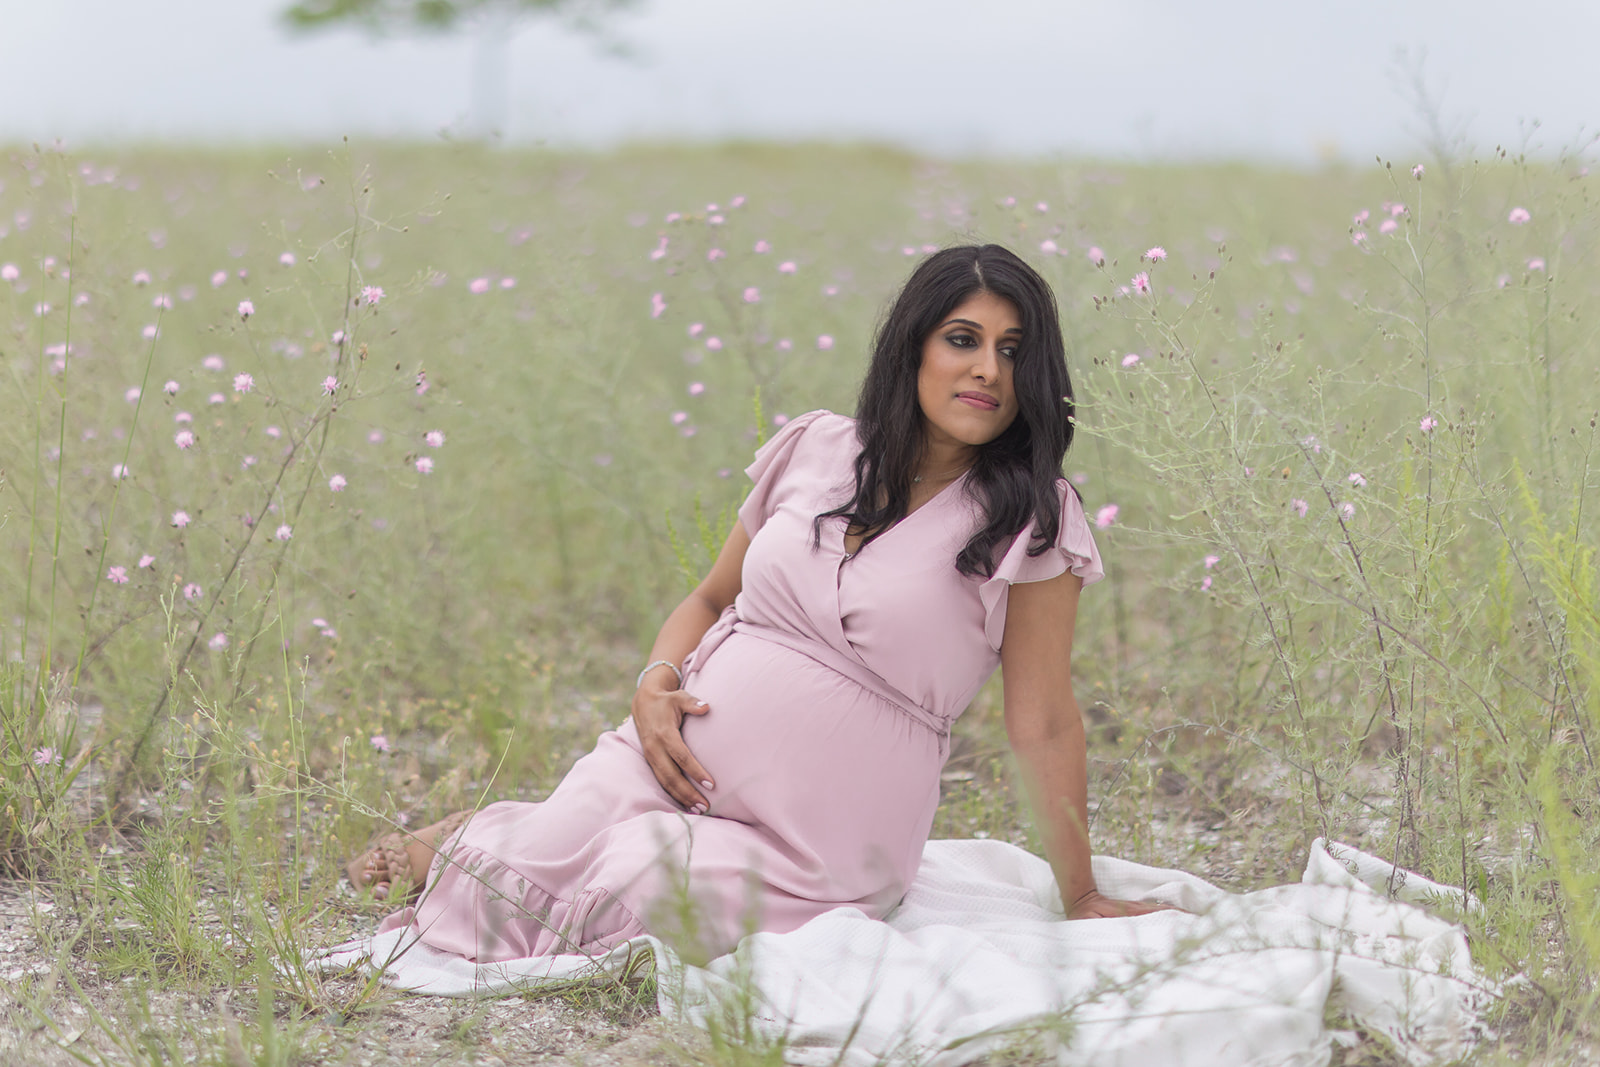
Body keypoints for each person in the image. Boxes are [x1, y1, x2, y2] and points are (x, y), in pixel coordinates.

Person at [346, 244, 1164, 964]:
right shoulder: (817, 447)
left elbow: (1045, 720)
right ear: (913, 346)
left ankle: (490, 837)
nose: (989, 368)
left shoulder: (1033, 519)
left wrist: (1082, 892)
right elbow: (709, 596)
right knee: (510, 889)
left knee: (635, 888)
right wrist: (655, 681)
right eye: (963, 339)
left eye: (1013, 352)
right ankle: (492, 838)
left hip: (820, 838)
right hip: (668, 762)